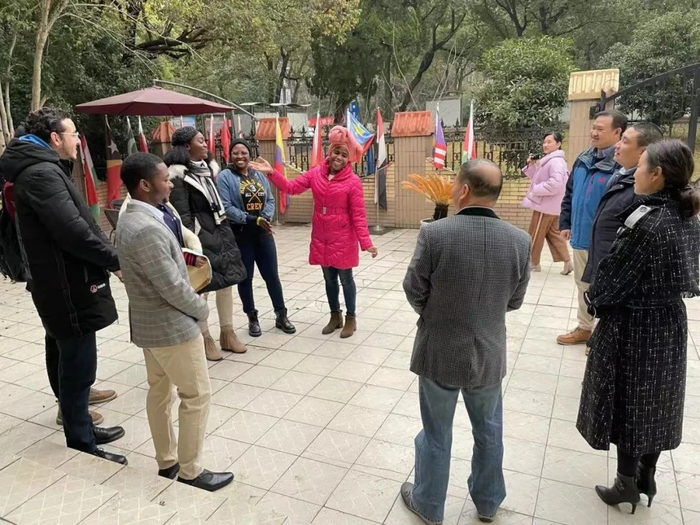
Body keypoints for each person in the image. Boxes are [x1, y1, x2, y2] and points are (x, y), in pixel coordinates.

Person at [400, 159, 531, 524]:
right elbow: (515, 300)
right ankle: (488, 503)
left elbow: (414, 289)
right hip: (489, 351)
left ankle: (428, 505)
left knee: (436, 433)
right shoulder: (520, 241)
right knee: (489, 430)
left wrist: (436, 314)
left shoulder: (435, 234)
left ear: (463, 190)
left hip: (439, 350)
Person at [578, 139, 700, 513]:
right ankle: (647, 476)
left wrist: (594, 301)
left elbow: (614, 277)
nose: (635, 174)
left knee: (629, 401)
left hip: (633, 323)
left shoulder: (646, 222)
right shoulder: (686, 217)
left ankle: (625, 483)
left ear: (657, 174)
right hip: (669, 321)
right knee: (657, 402)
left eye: (642, 165)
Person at [0, 108, 126, 464]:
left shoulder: (40, 168)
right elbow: (72, 231)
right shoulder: (41, 173)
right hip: (65, 283)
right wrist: (114, 260)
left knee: (67, 353)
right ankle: (81, 439)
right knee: (77, 363)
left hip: (59, 280)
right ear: (54, 138)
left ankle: (81, 424)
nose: (77, 140)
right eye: (73, 134)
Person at [117, 152, 233, 492]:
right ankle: (190, 471)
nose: (170, 184)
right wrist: (202, 310)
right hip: (171, 328)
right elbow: (171, 287)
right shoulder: (144, 228)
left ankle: (167, 461)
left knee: (159, 392)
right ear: (144, 185)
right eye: (165, 179)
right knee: (195, 395)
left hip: (150, 326)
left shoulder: (141, 215)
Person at [251, 126, 377, 338]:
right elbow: (291, 187)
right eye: (336, 152)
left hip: (343, 238)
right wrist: (271, 172)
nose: (338, 157)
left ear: (349, 159)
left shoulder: (353, 182)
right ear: (330, 151)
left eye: (344, 154)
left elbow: (358, 215)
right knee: (329, 279)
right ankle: (335, 316)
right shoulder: (315, 173)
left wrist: (366, 243)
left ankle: (351, 318)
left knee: (346, 279)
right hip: (322, 237)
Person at [165, 127, 247, 360]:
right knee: (202, 287)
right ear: (187, 146)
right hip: (200, 238)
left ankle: (228, 333)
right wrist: (192, 246)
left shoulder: (208, 169)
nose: (205, 144)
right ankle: (205, 338)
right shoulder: (177, 175)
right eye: (200, 141)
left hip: (220, 231)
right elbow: (183, 215)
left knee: (226, 282)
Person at [557, 110, 626, 346]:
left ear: (617, 132)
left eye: (600, 129)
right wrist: (566, 222)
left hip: (607, 242)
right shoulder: (584, 158)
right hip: (581, 236)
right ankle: (585, 328)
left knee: (605, 287)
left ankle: (602, 336)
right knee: (582, 285)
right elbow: (570, 193)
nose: (594, 133)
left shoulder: (621, 164)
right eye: (593, 128)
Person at [216, 138, 296, 337]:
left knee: (272, 276)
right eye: (235, 152)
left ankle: (281, 314)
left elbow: (270, 199)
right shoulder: (225, 177)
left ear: (249, 155)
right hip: (241, 234)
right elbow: (226, 206)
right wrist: (252, 219)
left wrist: (265, 217)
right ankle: (252, 317)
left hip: (263, 234)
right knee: (246, 278)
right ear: (230, 155)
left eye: (243, 152)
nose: (240, 156)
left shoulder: (258, 175)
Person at [582, 122, 663, 286]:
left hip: (616, 280)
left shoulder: (642, 190)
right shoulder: (621, 176)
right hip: (602, 268)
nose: (617, 145)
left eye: (625, 141)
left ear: (643, 152)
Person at [521, 132, 572, 274]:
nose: (545, 145)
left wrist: (536, 189)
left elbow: (556, 183)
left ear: (558, 144)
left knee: (535, 233)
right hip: (551, 205)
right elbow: (537, 178)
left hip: (545, 205)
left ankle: (533, 262)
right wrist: (531, 165)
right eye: (544, 142)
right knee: (554, 233)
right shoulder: (551, 160)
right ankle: (567, 261)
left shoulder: (555, 162)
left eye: (549, 142)